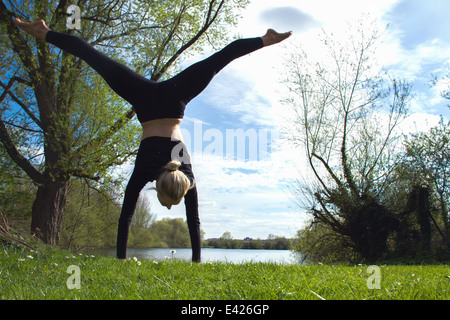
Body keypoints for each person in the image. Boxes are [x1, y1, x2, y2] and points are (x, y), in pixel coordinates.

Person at [14, 18, 292, 262]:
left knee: (220, 59)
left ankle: (266, 39)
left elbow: (193, 220)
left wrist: (197, 261)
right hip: (144, 100)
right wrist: (121, 259)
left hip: (175, 97)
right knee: (93, 58)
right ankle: (44, 32)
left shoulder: (185, 174)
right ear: (156, 186)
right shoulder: (147, 172)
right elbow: (126, 218)